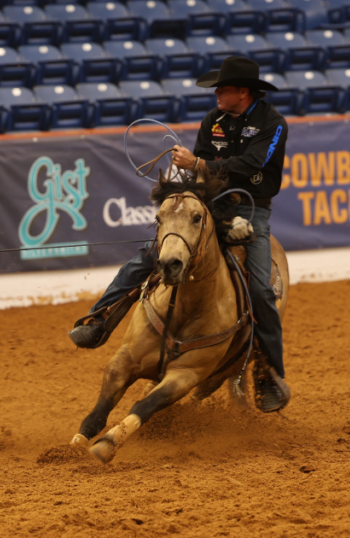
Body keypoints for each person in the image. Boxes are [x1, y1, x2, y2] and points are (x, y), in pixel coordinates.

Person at [69, 56, 292, 412]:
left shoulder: (272, 123)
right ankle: (100, 318)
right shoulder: (213, 121)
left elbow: (252, 163)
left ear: (243, 92)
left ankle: (269, 375)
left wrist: (198, 163)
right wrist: (190, 178)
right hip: (211, 206)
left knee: (261, 290)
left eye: (223, 89)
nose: (216, 94)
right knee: (148, 256)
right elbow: (200, 172)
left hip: (252, 211)